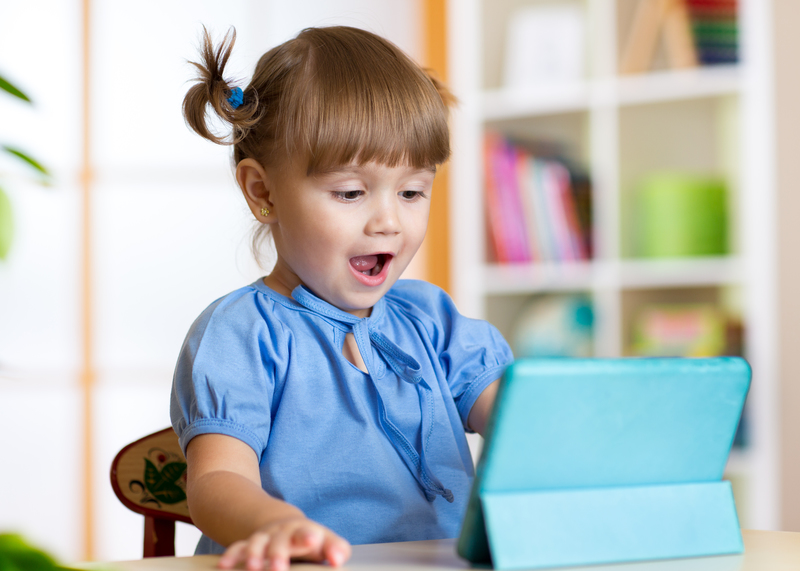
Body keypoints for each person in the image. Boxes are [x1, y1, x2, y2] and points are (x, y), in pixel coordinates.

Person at [170, 25, 513, 571]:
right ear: (263, 192)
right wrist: (275, 526)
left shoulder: (432, 320)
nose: (388, 222)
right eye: (350, 192)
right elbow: (216, 480)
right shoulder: (242, 332)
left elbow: (520, 422)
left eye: (412, 191)